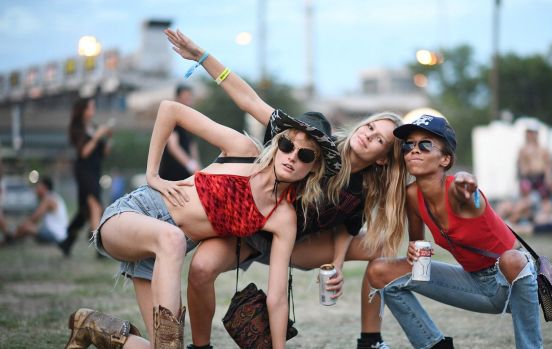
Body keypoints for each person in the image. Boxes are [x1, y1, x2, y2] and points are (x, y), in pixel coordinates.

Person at [165, 28, 408, 349]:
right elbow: (250, 100)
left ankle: (370, 340)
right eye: (371, 126)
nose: (369, 134)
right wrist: (202, 57)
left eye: (380, 140)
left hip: (294, 242)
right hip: (250, 227)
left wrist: (335, 264)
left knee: (383, 251)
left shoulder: (364, 187)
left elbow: (348, 227)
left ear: (382, 159)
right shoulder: (313, 142)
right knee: (200, 269)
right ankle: (201, 346)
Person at [65, 99, 339, 349]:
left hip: (161, 257)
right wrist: (153, 174)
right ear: (278, 143)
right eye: (288, 145)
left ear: (315, 167)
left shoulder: (283, 217)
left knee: (163, 348)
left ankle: (92, 326)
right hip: (133, 216)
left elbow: (278, 297)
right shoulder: (243, 151)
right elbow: (170, 110)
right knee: (172, 239)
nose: (292, 156)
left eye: (305, 155)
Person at [366, 115, 543, 349]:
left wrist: (467, 184)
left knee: (513, 259)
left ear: (445, 159)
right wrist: (412, 252)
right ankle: (433, 345)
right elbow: (419, 253)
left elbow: (468, 189)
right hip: (472, 283)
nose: (414, 150)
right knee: (379, 271)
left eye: (425, 144)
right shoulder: (412, 196)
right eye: (409, 145)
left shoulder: (460, 192)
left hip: (511, 284)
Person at [59, 97, 113, 256]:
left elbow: (104, 152)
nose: (93, 109)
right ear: (83, 110)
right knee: (95, 205)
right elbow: (83, 152)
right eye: (91, 107)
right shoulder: (77, 128)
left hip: (95, 171)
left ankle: (67, 242)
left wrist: (108, 137)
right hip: (84, 171)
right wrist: (97, 136)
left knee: (84, 211)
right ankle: (99, 247)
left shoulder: (94, 127)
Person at [159, 84, 202, 181]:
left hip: (186, 176)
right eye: (185, 99)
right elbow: (173, 147)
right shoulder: (172, 120)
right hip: (171, 176)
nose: (188, 102)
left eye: (189, 99)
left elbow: (192, 146)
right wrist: (190, 165)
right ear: (177, 99)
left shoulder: (190, 121)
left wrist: (198, 167)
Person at [14, 176, 68, 244]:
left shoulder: (49, 199)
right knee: (27, 227)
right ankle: (13, 239)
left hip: (56, 235)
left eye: (38, 187)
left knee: (26, 227)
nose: (35, 189)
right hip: (58, 234)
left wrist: (22, 226)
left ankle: (11, 239)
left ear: (44, 187)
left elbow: (35, 218)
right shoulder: (53, 196)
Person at [517, 124, 552, 199]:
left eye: (532, 133)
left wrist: (548, 178)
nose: (531, 135)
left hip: (541, 177)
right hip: (529, 177)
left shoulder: (543, 149)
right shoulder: (523, 150)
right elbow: (521, 166)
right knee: (528, 200)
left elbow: (548, 165)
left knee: (544, 199)